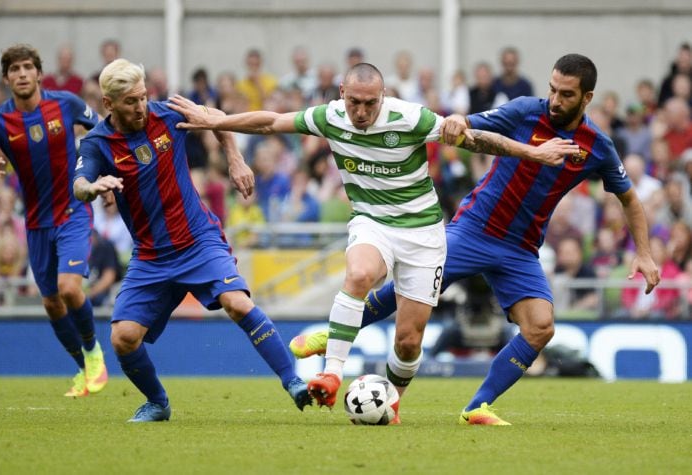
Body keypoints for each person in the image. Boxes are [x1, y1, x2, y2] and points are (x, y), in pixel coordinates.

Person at [167, 62, 579, 421]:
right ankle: (331, 372)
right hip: (372, 222)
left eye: (370, 103)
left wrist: (534, 153)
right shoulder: (330, 117)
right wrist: (214, 120)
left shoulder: (411, 118)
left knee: (408, 339)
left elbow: (478, 140)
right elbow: (270, 121)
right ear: (342, 93)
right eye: (354, 103)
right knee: (360, 273)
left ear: (383, 96)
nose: (361, 112)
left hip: (422, 233)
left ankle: (391, 402)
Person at [288, 54, 661, 425]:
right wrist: (454, 120)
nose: (555, 99)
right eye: (552, 89)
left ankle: (478, 406)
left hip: (522, 249)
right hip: (476, 228)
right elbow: (466, 125)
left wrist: (644, 253)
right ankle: (332, 333)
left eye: (566, 94)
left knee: (541, 327)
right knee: (419, 286)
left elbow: (628, 197)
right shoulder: (525, 111)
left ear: (587, 98)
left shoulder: (597, 145)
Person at [72, 58, 311, 422]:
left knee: (237, 303)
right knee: (123, 338)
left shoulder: (168, 113)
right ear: (109, 104)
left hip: (198, 240)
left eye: (142, 97)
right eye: (130, 102)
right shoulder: (98, 143)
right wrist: (93, 187)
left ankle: (293, 381)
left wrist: (234, 158)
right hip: (151, 257)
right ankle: (157, 402)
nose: (140, 107)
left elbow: (214, 118)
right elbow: (79, 184)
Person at [0, 44, 108, 398]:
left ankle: (94, 356)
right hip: (37, 222)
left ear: (39, 73)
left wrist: (103, 175)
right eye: (15, 69)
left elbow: (105, 132)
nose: (22, 74)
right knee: (51, 302)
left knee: (70, 288)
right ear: (7, 77)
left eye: (28, 67)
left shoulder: (67, 104)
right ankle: (84, 369)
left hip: (73, 211)